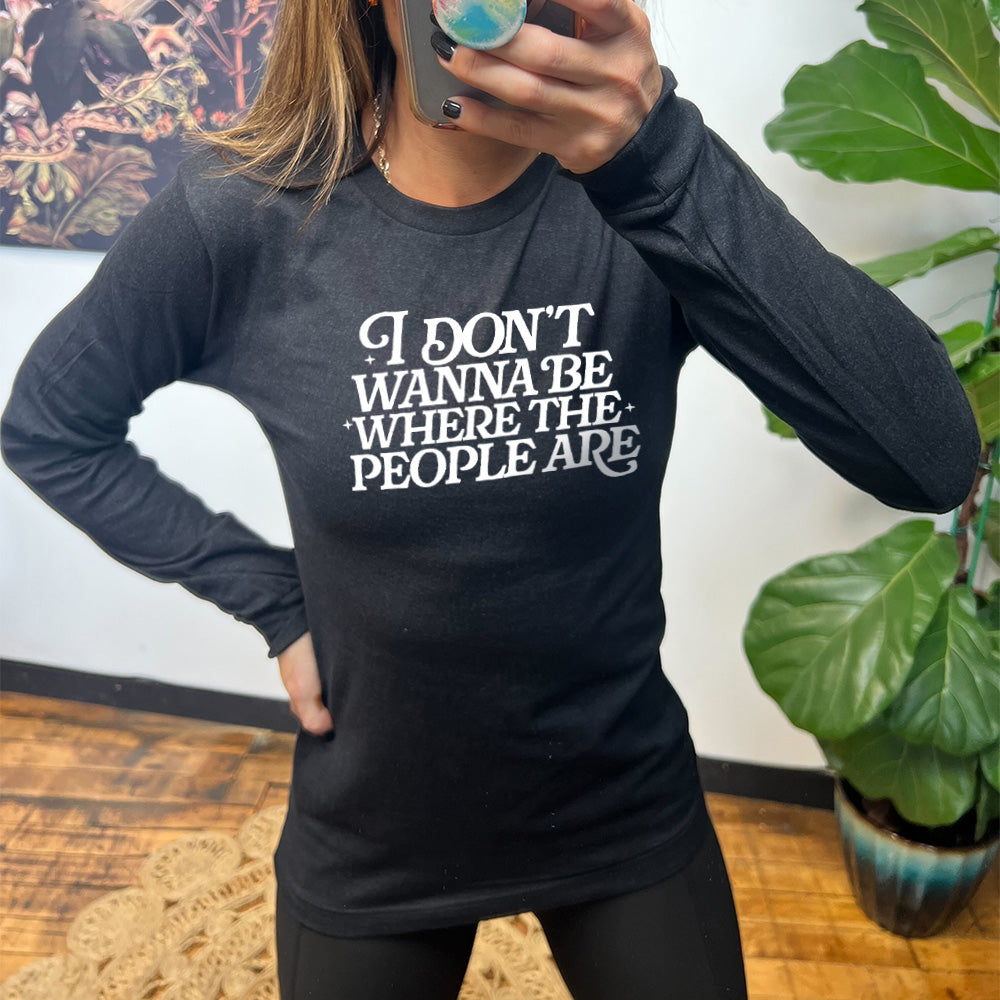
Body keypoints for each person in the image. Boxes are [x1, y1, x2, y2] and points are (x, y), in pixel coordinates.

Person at [0, 0, 982, 996]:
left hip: (620, 801)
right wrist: (275, 599)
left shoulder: (645, 193)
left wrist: (658, 158)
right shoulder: (245, 214)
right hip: (377, 824)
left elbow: (930, 459)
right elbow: (50, 424)